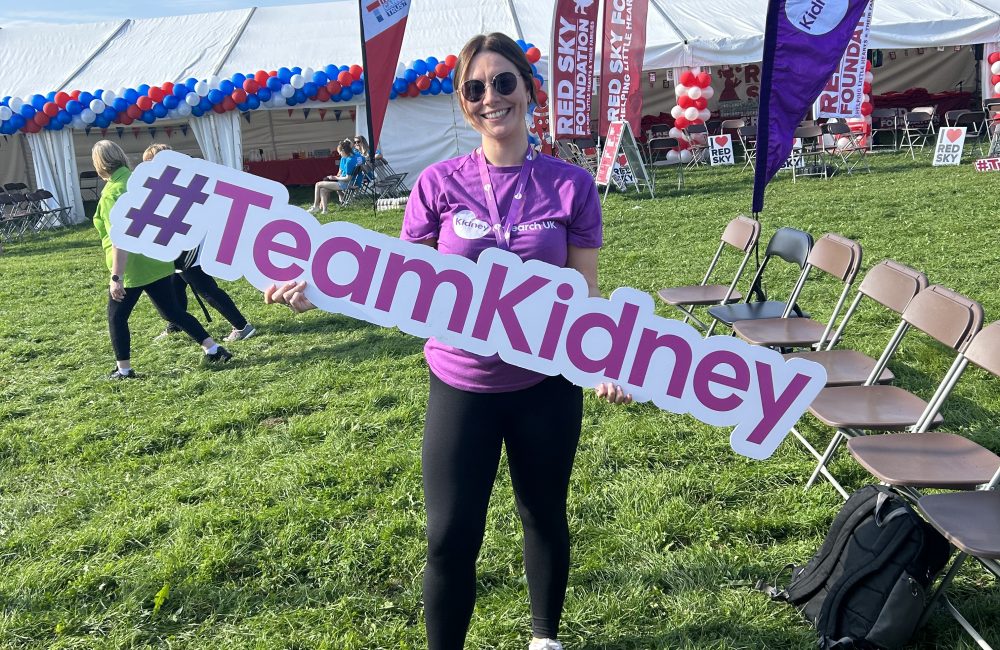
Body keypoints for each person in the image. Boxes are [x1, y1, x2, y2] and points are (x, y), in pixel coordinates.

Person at [265, 32, 631, 650]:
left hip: (546, 384)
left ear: (528, 89)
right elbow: (394, 277)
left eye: (504, 82)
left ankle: (544, 638)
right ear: (465, 104)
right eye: (476, 89)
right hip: (463, 382)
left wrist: (601, 360)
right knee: (450, 536)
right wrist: (322, 288)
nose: (492, 97)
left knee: (542, 514)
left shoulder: (571, 186)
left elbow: (584, 293)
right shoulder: (439, 184)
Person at [90, 140, 231, 379]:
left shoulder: (111, 193)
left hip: (133, 267)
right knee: (173, 312)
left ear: (99, 165)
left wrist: (116, 276)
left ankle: (124, 370)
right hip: (157, 257)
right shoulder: (140, 182)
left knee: (117, 317)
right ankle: (214, 349)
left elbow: (120, 238)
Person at [142, 144, 256, 343]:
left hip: (187, 246)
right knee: (174, 284)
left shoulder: (177, 182)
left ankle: (241, 325)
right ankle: (176, 323)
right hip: (182, 244)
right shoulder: (180, 179)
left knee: (205, 289)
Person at [308, 139, 363, 213]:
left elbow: (347, 178)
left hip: (347, 184)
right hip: (355, 181)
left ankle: (315, 206)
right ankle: (324, 210)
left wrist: (335, 177)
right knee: (322, 190)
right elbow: (363, 163)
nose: (340, 155)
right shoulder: (358, 156)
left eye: (340, 152)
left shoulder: (349, 161)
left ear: (343, 151)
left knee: (318, 184)